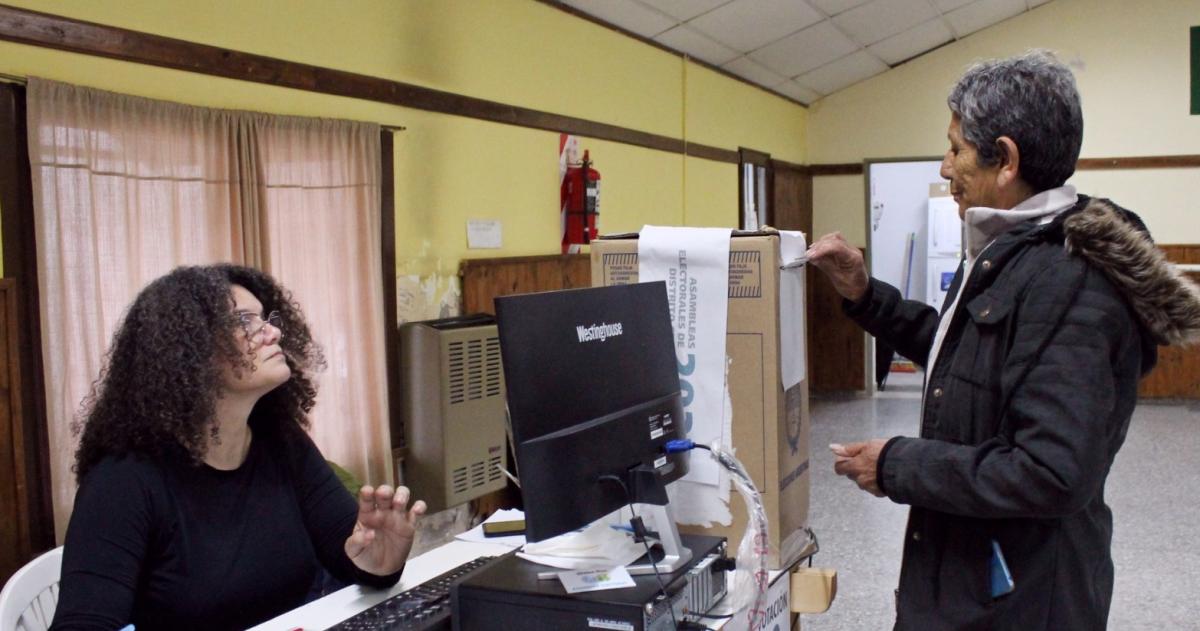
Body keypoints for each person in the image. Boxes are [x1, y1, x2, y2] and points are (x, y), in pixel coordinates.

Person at [807, 50, 1200, 629]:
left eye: (956, 148)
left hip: (1021, 595)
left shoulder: (1071, 281)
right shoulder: (1014, 250)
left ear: (1007, 159)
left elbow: (1050, 472)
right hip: (971, 570)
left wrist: (898, 464)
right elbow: (966, 354)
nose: (945, 167)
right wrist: (865, 294)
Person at [50, 264, 426, 631]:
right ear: (189, 348)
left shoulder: (281, 443)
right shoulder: (123, 481)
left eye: (266, 319)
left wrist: (381, 562)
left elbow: (352, 557)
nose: (272, 334)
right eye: (245, 322)